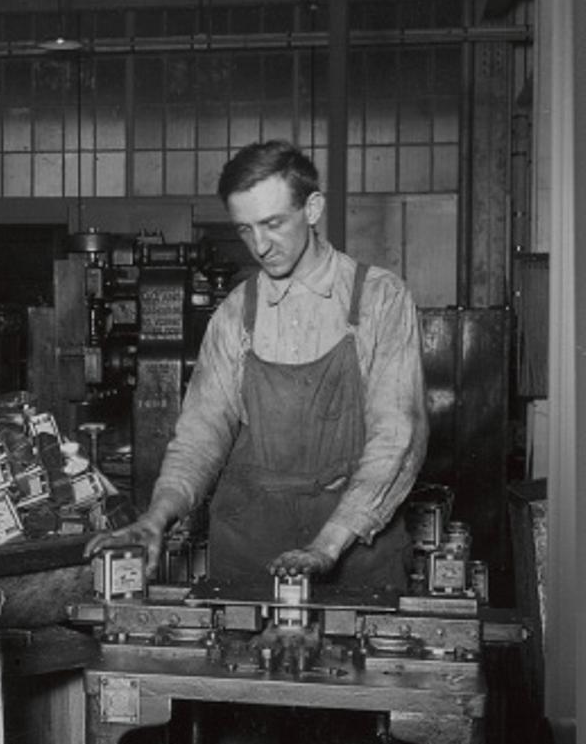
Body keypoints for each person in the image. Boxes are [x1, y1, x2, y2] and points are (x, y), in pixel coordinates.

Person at [88, 139, 428, 591]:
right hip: (251, 550)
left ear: (312, 209)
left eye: (272, 223)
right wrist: (157, 516)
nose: (260, 246)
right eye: (245, 230)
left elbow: (398, 439)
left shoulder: (380, 298)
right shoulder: (235, 313)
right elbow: (200, 435)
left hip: (355, 552)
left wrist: (326, 546)